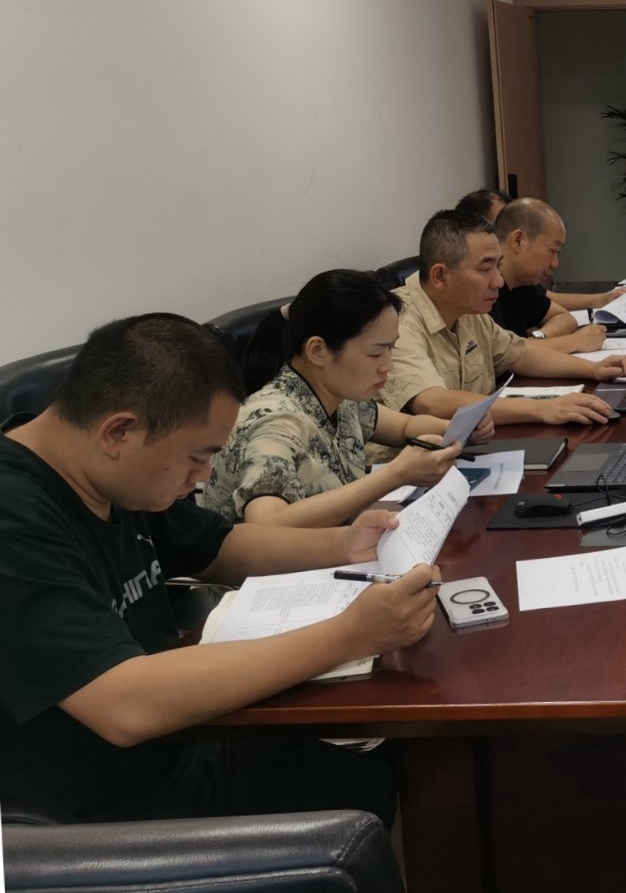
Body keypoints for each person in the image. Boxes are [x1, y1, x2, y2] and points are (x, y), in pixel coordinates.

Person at [0, 314, 438, 825]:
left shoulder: (104, 469)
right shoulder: (15, 516)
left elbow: (220, 545)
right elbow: (122, 705)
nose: (204, 475)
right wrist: (352, 634)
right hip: (102, 809)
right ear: (118, 431)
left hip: (182, 739)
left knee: (386, 760)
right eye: (196, 457)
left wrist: (344, 544)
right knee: (369, 786)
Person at [202, 269, 492, 528]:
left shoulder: (339, 394)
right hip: (285, 569)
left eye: (390, 349)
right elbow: (268, 524)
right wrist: (395, 475)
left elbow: (404, 427)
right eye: (375, 353)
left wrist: (456, 428)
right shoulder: (275, 421)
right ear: (318, 351)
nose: (388, 365)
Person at [382, 209, 626, 426]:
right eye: (485, 268)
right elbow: (432, 403)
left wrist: (593, 369)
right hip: (413, 464)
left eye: (498, 265)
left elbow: (520, 353)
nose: (498, 280)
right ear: (440, 276)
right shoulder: (397, 321)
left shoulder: (469, 312)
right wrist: (543, 408)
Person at [491, 198, 626, 349]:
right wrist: (576, 342)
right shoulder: (486, 290)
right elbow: (505, 354)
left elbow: (565, 318)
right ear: (518, 240)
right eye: (553, 250)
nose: (555, 263)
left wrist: (537, 339)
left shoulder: (521, 285)